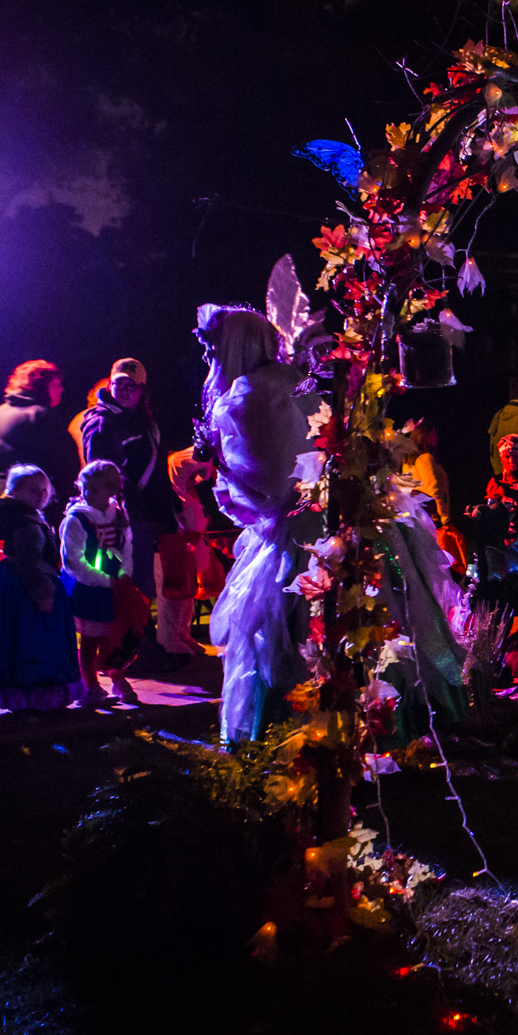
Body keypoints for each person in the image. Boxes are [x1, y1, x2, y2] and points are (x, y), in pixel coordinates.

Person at [198, 305, 310, 744]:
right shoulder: (292, 379)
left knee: (276, 643)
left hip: (290, 536)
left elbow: (268, 486)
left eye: (213, 349)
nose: (208, 358)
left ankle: (281, 742)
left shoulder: (249, 393)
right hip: (318, 525)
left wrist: (219, 464)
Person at [0, 465, 83, 711]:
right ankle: (32, 699)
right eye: (33, 490)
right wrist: (43, 594)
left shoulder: (24, 517)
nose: (41, 495)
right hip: (28, 592)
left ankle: (27, 700)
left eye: (44, 490)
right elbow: (29, 563)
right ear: (14, 492)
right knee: (31, 643)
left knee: (16, 642)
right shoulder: (25, 523)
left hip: (16, 586)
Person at [79, 358, 180, 604]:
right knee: (133, 595)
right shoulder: (103, 423)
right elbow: (102, 478)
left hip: (148, 520)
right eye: (119, 384)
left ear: (142, 389)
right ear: (110, 385)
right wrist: (126, 513)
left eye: (131, 386)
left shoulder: (142, 421)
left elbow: (155, 469)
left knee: (153, 591)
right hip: (128, 523)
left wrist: (171, 504)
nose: (125, 391)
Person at [60, 460, 138, 708]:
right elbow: (73, 560)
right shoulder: (77, 519)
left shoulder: (119, 516)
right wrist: (104, 580)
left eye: (94, 489)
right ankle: (90, 683)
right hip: (88, 587)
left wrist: (124, 574)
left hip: (114, 586)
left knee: (114, 636)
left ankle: (116, 676)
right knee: (90, 639)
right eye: (85, 487)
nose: (87, 493)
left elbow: (126, 547)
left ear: (112, 490)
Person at [154, 448, 223, 656]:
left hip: (189, 559)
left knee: (185, 604)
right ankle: (169, 643)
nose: (195, 480)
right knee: (172, 603)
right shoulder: (175, 500)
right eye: (191, 476)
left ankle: (182, 635)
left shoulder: (187, 497)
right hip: (177, 558)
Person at [0, 360, 79, 504]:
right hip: (28, 500)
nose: (61, 389)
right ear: (41, 385)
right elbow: (66, 464)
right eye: (56, 384)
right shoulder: (41, 415)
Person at [402, 419, 467, 572]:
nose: (436, 437)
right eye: (433, 433)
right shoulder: (425, 458)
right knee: (444, 563)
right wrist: (445, 519)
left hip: (416, 517)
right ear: (425, 435)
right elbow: (434, 490)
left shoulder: (407, 461)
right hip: (434, 519)